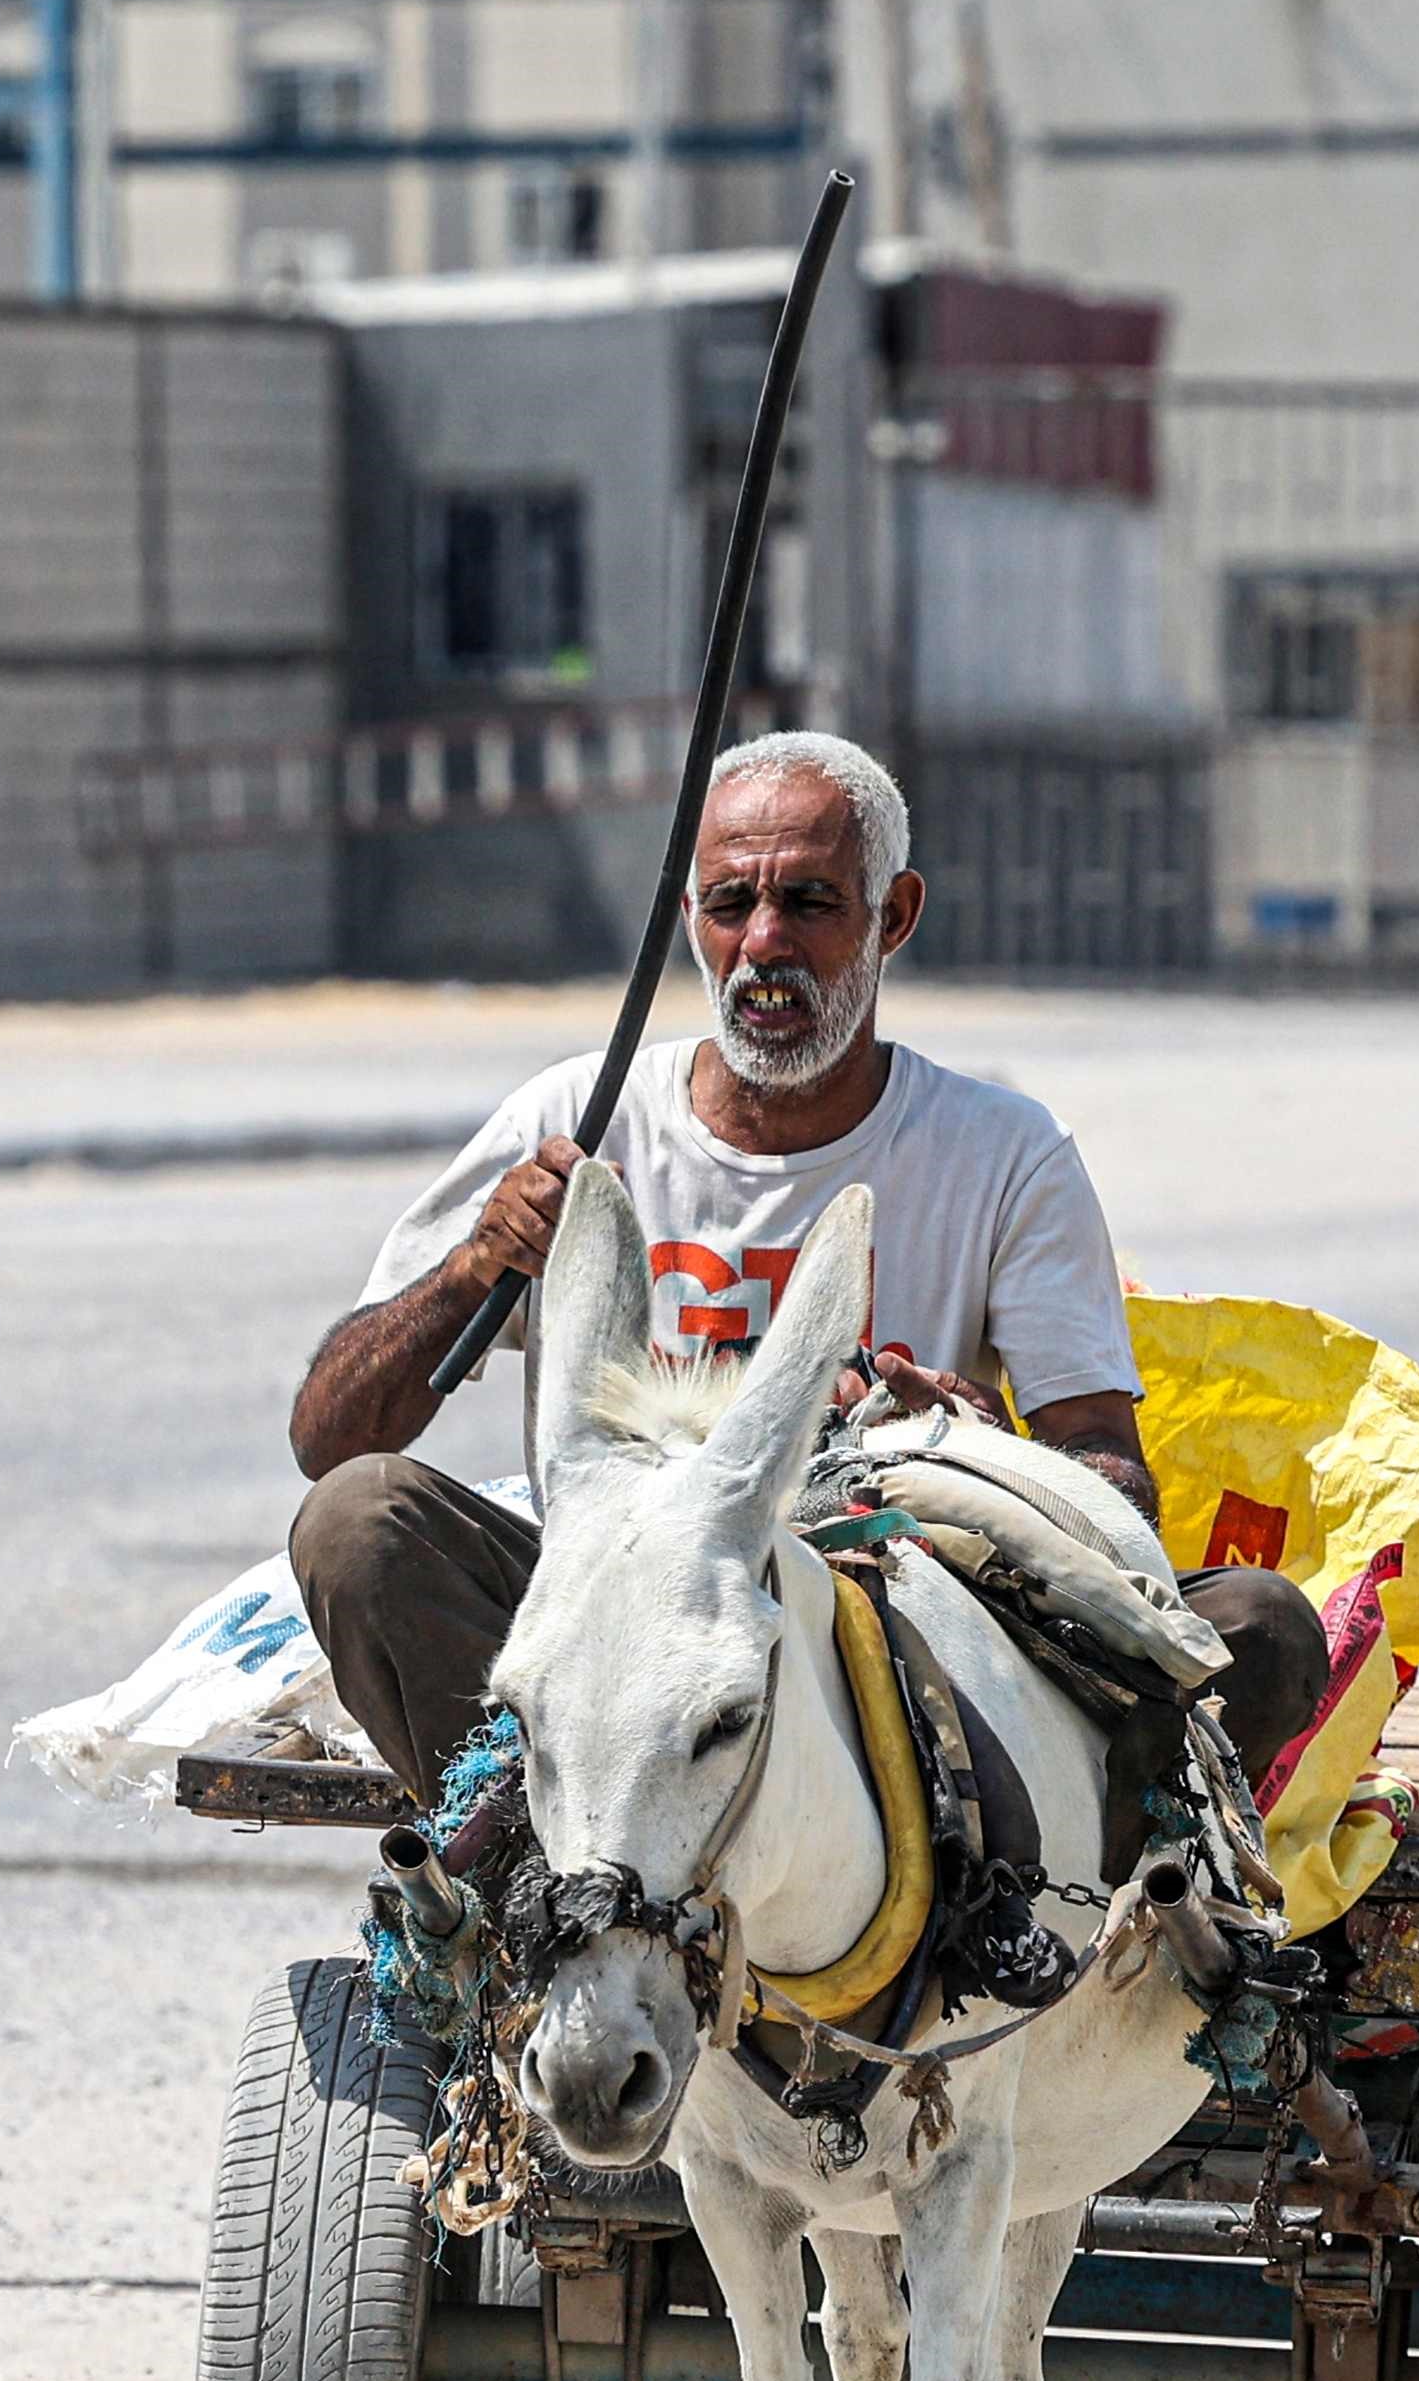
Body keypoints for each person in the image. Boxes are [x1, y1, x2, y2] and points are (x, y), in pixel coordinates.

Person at [286, 728, 1325, 1800]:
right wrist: (471, 1268)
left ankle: (1051, 1922)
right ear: (688, 915)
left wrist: (984, 1448)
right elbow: (327, 1437)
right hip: (611, 1632)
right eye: (730, 905)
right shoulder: (572, 1123)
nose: (763, 944)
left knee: (1260, 1627)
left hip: (897, 1648)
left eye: (811, 905)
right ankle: (538, 1871)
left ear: (895, 917)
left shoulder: (1004, 1152)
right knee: (357, 1520)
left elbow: (1114, 1480)